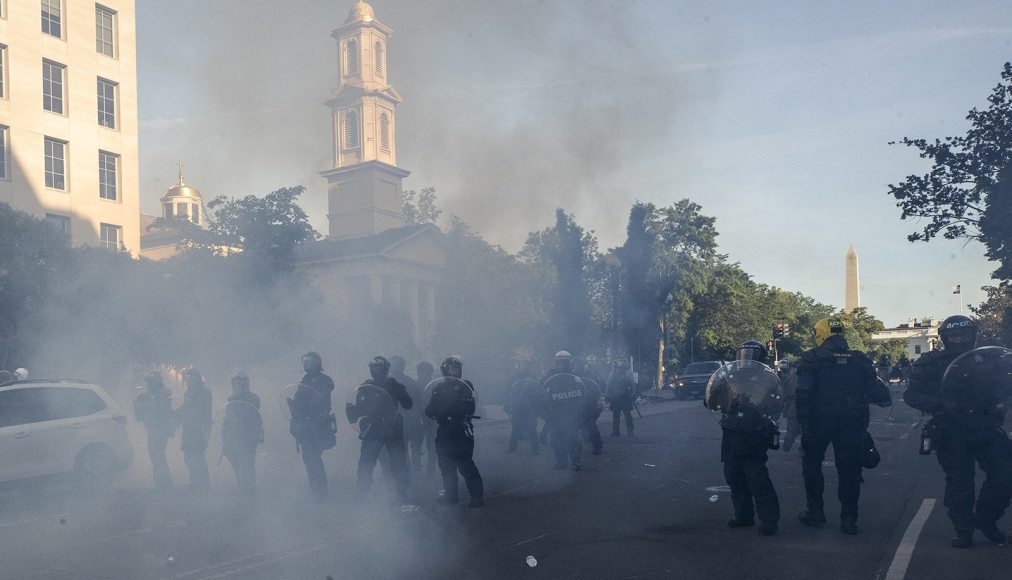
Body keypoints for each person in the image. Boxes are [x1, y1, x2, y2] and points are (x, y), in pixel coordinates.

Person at [905, 315, 1012, 548]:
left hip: (986, 426)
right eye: (954, 335)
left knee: (1006, 474)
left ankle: (986, 519)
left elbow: (1007, 384)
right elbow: (911, 395)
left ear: (972, 335)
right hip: (951, 428)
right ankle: (963, 529)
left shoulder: (991, 358)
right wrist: (943, 403)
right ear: (945, 337)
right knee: (960, 482)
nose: (959, 339)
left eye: (963, 335)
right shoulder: (931, 362)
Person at [796, 318, 884, 535]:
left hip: (819, 420)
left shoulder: (811, 359)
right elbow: (876, 392)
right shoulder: (858, 358)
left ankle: (815, 512)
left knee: (812, 465)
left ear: (820, 335)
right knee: (850, 470)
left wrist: (803, 423)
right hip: (851, 420)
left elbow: (803, 393)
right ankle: (849, 519)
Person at [706, 341, 781, 536]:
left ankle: (769, 520)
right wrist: (716, 390)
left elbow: (774, 403)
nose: (747, 358)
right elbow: (712, 403)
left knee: (758, 479)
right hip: (732, 432)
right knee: (734, 477)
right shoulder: (729, 376)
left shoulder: (767, 378)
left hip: (755, 433)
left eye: (751, 355)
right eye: (744, 354)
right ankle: (743, 515)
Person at [346, 356, 412, 502]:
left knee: (397, 461)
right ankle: (361, 493)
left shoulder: (393, 385)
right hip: (373, 428)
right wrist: (352, 411)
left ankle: (402, 492)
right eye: (374, 368)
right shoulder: (366, 387)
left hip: (392, 428)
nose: (377, 371)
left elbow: (408, 404)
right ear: (371, 370)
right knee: (366, 462)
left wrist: (399, 390)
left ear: (386, 369)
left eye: (380, 368)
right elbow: (361, 409)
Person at [425, 356, 484, 507]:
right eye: (451, 368)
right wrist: (435, 411)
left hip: (460, 428)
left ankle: (477, 497)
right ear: (444, 370)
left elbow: (468, 407)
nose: (454, 372)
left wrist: (445, 408)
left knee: (465, 463)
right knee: (445, 464)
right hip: (444, 429)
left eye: (456, 368)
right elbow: (430, 410)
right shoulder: (438, 388)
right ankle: (450, 495)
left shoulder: (465, 386)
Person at [288, 351, 336, 501]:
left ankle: (320, 492)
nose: (306, 364)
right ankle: (317, 491)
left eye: (310, 361)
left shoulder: (324, 380)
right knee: (309, 459)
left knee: (313, 458)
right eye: (304, 361)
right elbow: (298, 401)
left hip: (319, 426)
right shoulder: (303, 382)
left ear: (317, 363)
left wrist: (305, 405)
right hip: (305, 427)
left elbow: (318, 399)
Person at [221, 372, 263, 496]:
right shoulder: (231, 399)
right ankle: (241, 486)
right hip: (233, 435)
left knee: (248, 462)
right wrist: (225, 432)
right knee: (235, 460)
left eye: (240, 383)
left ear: (245, 384)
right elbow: (227, 417)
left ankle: (250, 489)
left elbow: (254, 412)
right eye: (235, 383)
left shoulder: (253, 398)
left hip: (248, 435)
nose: (237, 385)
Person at [542, 351, 585, 470]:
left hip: (571, 412)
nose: (561, 364)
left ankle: (575, 461)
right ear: (556, 362)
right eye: (559, 362)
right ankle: (561, 461)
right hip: (555, 413)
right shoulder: (549, 376)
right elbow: (542, 391)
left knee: (572, 438)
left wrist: (579, 409)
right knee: (556, 438)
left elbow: (582, 392)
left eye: (564, 362)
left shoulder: (576, 376)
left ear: (568, 362)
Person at [133, 371, 176, 488]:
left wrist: (143, 403)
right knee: (156, 455)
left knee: (157, 455)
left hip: (159, 428)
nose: (148, 385)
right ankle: (161, 483)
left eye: (150, 382)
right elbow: (142, 415)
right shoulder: (157, 394)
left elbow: (157, 408)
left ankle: (164, 483)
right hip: (155, 428)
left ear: (156, 383)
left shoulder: (162, 394)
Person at [176, 368, 213, 489]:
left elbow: (193, 407)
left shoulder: (204, 393)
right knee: (189, 455)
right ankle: (196, 481)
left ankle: (202, 483)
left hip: (199, 428)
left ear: (195, 380)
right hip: (190, 427)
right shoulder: (190, 392)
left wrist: (177, 413)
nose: (187, 382)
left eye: (189, 379)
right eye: (186, 379)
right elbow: (185, 408)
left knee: (196, 455)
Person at [391, 357, 426, 475]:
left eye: (398, 365)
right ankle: (408, 472)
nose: (396, 367)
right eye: (394, 365)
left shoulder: (410, 382)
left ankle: (415, 471)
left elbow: (418, 401)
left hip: (411, 420)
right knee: (403, 449)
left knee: (415, 448)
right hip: (397, 422)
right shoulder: (387, 383)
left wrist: (416, 416)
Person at [506, 358, 541, 454]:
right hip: (518, 406)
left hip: (531, 407)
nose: (524, 366)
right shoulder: (515, 377)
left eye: (526, 365)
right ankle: (512, 448)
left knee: (532, 428)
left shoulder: (533, 377)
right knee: (515, 428)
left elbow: (539, 391)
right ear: (520, 366)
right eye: (523, 364)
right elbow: (509, 391)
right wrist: (507, 405)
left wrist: (537, 405)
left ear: (529, 366)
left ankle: (535, 449)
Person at [573, 357, 603, 455]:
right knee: (574, 427)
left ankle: (597, 447)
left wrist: (593, 401)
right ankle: (575, 449)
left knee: (591, 425)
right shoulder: (571, 375)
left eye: (577, 365)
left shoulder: (589, 374)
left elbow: (594, 387)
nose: (576, 367)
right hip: (576, 404)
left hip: (589, 403)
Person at [416, 361, 438, 477]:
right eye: (421, 371)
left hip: (431, 421)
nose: (423, 374)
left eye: (426, 371)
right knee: (416, 446)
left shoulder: (435, 385)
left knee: (431, 447)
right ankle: (416, 470)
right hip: (417, 421)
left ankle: (430, 471)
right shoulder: (413, 385)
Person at [606, 358, 635, 437]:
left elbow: (608, 385)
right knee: (625, 414)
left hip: (618, 396)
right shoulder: (627, 372)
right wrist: (633, 393)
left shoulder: (613, 373)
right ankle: (629, 431)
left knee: (618, 414)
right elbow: (632, 383)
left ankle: (617, 431)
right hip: (623, 396)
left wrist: (607, 395)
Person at [778, 359, 801, 453]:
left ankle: (788, 442)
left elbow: (785, 393)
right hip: (805, 405)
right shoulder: (810, 377)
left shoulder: (791, 378)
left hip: (793, 405)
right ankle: (801, 447)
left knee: (791, 427)